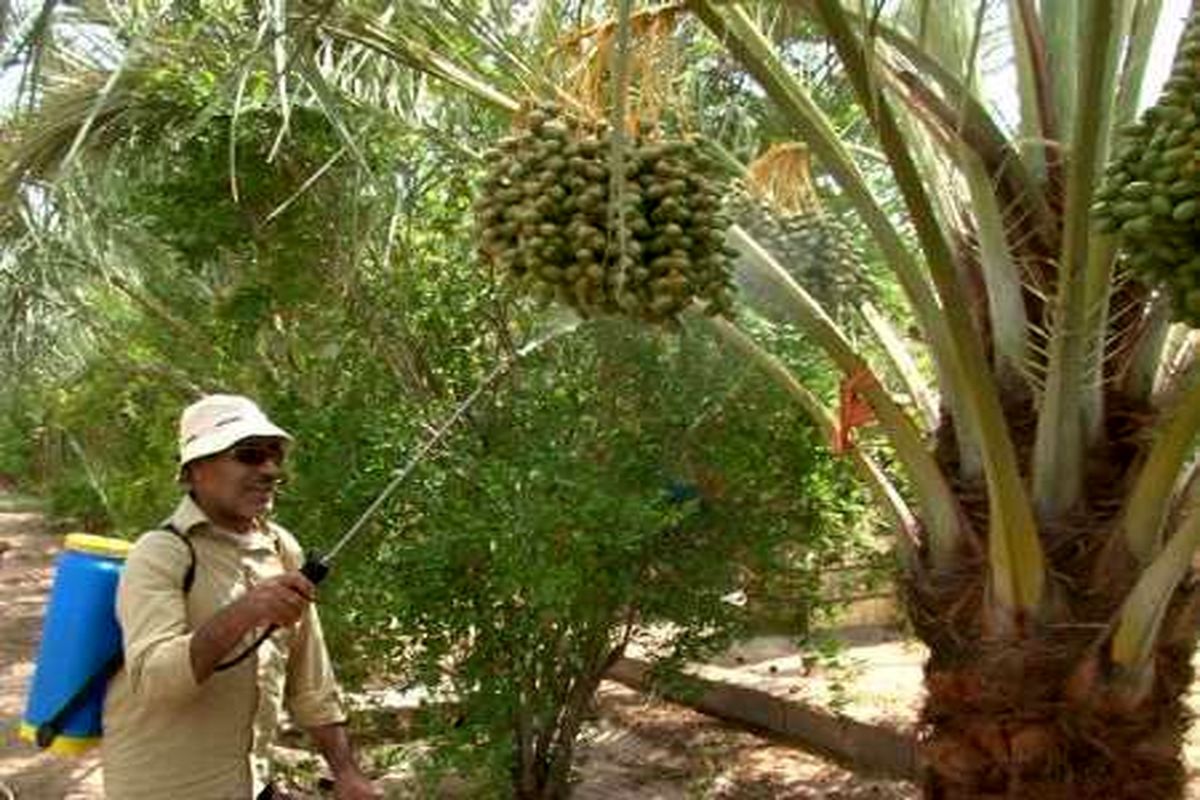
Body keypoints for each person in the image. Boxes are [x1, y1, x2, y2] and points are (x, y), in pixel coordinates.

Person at [101, 394, 382, 800]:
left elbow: (311, 679)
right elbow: (156, 681)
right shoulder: (161, 553)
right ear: (196, 470)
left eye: (274, 456)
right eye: (249, 455)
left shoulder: (282, 548)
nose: (269, 469)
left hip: (251, 785)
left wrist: (346, 771)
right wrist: (248, 610)